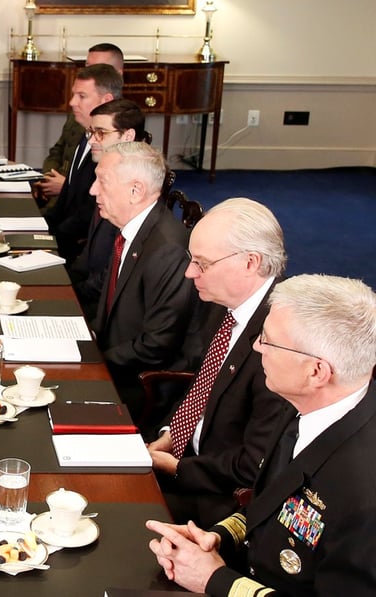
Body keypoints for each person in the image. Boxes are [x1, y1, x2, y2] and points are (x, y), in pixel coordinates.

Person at [147, 274, 376, 596]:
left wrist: (214, 579)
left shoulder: (363, 495)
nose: (256, 347)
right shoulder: (303, 406)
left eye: (267, 340)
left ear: (316, 372)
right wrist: (218, 537)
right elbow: (270, 503)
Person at [146, 198, 288, 525]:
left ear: (251, 262)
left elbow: (255, 463)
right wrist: (171, 434)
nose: (189, 272)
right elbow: (204, 385)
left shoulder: (280, 343)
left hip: (217, 501)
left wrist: (177, 468)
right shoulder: (223, 305)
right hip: (183, 456)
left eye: (202, 263)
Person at [90, 141, 197, 428]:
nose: (92, 190)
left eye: (102, 181)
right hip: (113, 356)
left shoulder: (167, 250)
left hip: (136, 383)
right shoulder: (132, 229)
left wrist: (93, 360)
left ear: (135, 191)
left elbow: (156, 345)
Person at [69, 98, 147, 316]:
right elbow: (89, 254)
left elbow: (112, 273)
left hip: (105, 310)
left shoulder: (133, 190)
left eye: (101, 133)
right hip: (88, 292)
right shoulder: (105, 176)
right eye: (91, 132)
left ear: (128, 137)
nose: (93, 140)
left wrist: (71, 293)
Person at [42, 64, 123, 265]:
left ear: (106, 101)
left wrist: (50, 241)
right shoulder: (85, 133)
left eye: (82, 96)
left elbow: (87, 214)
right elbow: (66, 200)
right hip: (62, 236)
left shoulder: (111, 150)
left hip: (78, 252)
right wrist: (39, 230)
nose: (72, 102)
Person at [35, 42, 125, 200]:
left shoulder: (117, 131)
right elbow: (57, 151)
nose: (73, 102)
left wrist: (67, 186)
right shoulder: (79, 114)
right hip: (56, 198)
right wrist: (48, 179)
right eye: (87, 66)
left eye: (99, 67)